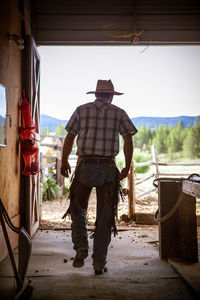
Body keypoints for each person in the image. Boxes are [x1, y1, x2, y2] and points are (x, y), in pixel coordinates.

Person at [61, 79, 137, 275]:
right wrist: (127, 166)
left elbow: (69, 137)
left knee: (77, 209)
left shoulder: (81, 110)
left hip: (84, 166)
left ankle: (81, 246)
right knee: (105, 217)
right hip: (107, 168)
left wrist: (64, 161)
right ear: (111, 96)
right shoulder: (119, 113)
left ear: (96, 94)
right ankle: (98, 263)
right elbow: (128, 139)